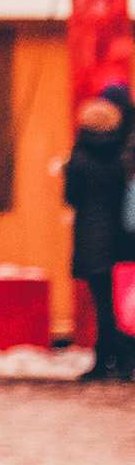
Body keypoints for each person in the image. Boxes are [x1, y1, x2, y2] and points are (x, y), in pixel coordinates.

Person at [65, 96, 133, 382]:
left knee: (102, 305)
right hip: (120, 239)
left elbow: (72, 196)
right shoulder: (122, 156)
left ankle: (105, 359)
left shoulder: (80, 157)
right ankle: (123, 359)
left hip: (91, 238)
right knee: (121, 304)